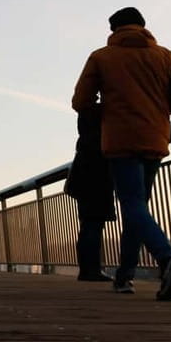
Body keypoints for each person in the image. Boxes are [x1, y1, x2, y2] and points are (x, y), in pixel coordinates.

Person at [72, 7, 171, 300]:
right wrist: (156, 109)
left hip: (120, 139)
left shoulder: (102, 57)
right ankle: (124, 276)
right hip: (155, 138)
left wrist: (108, 110)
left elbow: (81, 101)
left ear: (113, 30)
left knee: (132, 204)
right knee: (137, 206)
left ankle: (167, 258)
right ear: (143, 26)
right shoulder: (167, 57)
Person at [65, 103, 115, 282]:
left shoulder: (85, 128)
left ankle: (87, 269)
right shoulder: (101, 136)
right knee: (94, 224)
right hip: (98, 178)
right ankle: (92, 269)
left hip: (84, 179)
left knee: (88, 224)